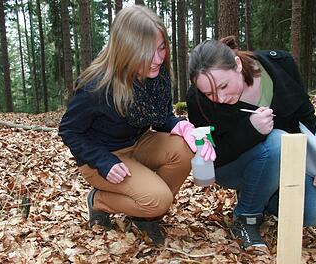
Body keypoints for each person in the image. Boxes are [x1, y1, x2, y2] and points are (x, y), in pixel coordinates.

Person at [58, 5, 214, 246]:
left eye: (162, 48)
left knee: (184, 149)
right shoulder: (96, 86)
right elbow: (69, 130)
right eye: (148, 51)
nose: (159, 58)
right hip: (102, 158)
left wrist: (181, 126)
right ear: (126, 51)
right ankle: (99, 201)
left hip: (138, 143)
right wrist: (103, 161)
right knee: (159, 200)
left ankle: (143, 214)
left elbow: (161, 118)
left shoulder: (156, 74)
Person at [186, 39, 316, 252]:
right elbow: (212, 156)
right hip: (232, 167)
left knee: (314, 211)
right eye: (210, 94)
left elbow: (306, 119)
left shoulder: (280, 65)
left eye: (223, 86)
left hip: (284, 163)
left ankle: (259, 194)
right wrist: (251, 131)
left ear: (237, 64)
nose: (219, 98)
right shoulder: (197, 99)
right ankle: (246, 217)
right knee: (276, 141)